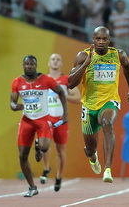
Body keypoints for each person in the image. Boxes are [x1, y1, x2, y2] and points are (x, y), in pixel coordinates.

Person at [68, 26, 129, 183]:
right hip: (89, 105)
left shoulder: (118, 55)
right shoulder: (83, 55)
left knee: (107, 123)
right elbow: (70, 84)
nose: (101, 42)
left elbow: (128, 67)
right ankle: (92, 156)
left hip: (109, 101)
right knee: (90, 148)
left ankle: (107, 169)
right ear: (93, 40)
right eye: (98, 39)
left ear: (109, 40)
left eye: (104, 39)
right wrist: (86, 64)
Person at [10, 55, 68, 197]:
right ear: (23, 65)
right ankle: (32, 187)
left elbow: (61, 92)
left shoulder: (46, 80)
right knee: (22, 156)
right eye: (26, 64)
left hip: (43, 121)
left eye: (32, 64)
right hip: (26, 121)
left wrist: (65, 115)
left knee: (45, 147)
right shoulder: (17, 82)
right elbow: (12, 103)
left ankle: (38, 146)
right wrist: (16, 106)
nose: (29, 66)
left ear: (36, 65)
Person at [35, 53, 80, 192]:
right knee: (44, 146)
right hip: (46, 118)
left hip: (61, 119)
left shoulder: (67, 79)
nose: (55, 61)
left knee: (60, 150)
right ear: (48, 63)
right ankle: (46, 167)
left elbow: (78, 97)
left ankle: (59, 176)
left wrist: (64, 94)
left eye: (58, 59)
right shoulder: (41, 79)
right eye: (53, 59)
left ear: (61, 64)